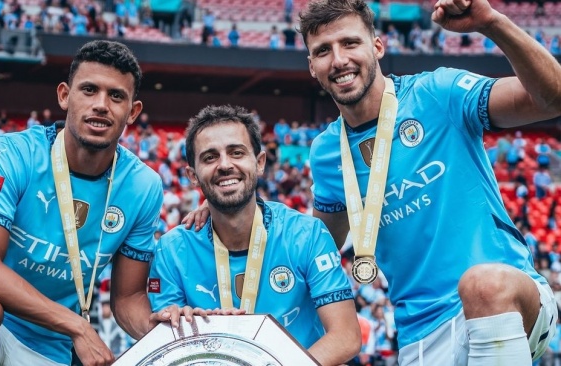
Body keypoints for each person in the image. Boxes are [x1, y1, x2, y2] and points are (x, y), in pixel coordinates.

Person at [300, 0, 561, 364]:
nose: (339, 59)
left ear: (377, 46)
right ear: (312, 66)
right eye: (323, 51)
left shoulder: (438, 93)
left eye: (350, 43)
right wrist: (228, 212)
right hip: (420, 336)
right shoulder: (327, 152)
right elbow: (317, 249)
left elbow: (552, 99)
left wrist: (492, 23)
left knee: (482, 285)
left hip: (507, 300)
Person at [0, 40, 164, 366]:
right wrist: (76, 325)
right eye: (89, 90)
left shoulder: (144, 186)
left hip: (52, 345)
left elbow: (127, 297)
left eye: (116, 96)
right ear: (64, 96)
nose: (101, 104)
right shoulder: (15, 153)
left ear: (132, 112)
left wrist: (167, 333)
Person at [148, 105, 361, 365]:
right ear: (192, 175)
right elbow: (169, 342)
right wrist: (183, 327)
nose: (225, 165)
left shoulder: (306, 234)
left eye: (236, 153)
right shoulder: (172, 249)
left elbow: (346, 336)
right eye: (210, 157)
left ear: (259, 163)